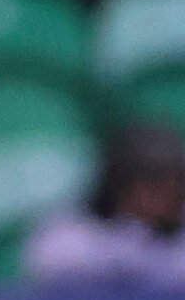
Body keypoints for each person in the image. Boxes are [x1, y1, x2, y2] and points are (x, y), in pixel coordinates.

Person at [25, 121, 185, 286]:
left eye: (178, 184)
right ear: (121, 185)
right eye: (155, 185)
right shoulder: (68, 239)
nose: (170, 196)